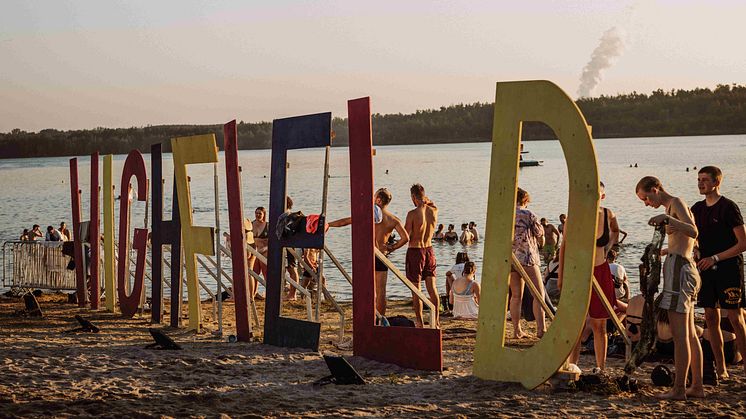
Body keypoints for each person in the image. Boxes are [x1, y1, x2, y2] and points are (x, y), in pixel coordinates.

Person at [635, 175, 704, 400]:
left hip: (680, 271)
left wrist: (667, 219)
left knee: (680, 333)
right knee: (691, 333)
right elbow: (687, 243)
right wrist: (663, 251)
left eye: (646, 198)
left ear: (655, 189)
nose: (646, 204)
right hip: (685, 267)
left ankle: (679, 389)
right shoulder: (674, 206)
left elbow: (693, 231)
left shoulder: (676, 203)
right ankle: (697, 386)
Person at [691, 166, 746, 379]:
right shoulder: (697, 208)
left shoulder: (728, 207)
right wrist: (695, 249)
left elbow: (742, 243)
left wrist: (715, 257)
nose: (700, 183)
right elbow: (693, 236)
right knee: (710, 318)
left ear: (716, 183)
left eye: (705, 180)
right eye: (698, 180)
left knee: (735, 318)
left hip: (729, 268)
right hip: (705, 270)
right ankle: (721, 368)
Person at [565, 182, 620, 373]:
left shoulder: (607, 214)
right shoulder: (576, 216)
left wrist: (608, 247)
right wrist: (563, 276)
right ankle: (572, 365)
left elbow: (615, 231)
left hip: (601, 269)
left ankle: (600, 368)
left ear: (602, 196)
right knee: (576, 324)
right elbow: (564, 247)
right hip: (579, 272)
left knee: (600, 324)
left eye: (598, 194)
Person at [509, 188, 546, 338]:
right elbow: (540, 235)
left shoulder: (506, 215)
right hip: (528, 258)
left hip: (511, 259)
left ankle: (516, 330)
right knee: (539, 294)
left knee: (516, 295)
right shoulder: (528, 214)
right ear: (525, 200)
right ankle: (541, 329)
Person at [405, 183, 439, 328]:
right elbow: (432, 203)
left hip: (415, 250)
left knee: (416, 289)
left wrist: (391, 247)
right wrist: (427, 200)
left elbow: (406, 236)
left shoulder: (412, 214)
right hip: (429, 249)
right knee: (432, 288)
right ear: (423, 196)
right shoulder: (434, 211)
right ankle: (436, 321)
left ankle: (419, 322)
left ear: (413, 197)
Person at [372, 188, 409, 315]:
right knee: (381, 291)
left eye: (374, 196)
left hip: (368, 254)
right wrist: (392, 247)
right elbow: (405, 238)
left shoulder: (370, 215)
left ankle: (371, 318)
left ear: (379, 200)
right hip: (382, 255)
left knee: (369, 290)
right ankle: (380, 319)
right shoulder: (393, 219)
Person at [250, 207, 269, 299]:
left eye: (260, 213)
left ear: (264, 214)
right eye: (256, 213)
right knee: (254, 273)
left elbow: (271, 241)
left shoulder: (267, 225)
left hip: (265, 251)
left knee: (266, 273)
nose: (258, 215)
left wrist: (264, 249)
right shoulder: (251, 224)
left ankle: (269, 293)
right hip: (254, 251)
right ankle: (254, 293)